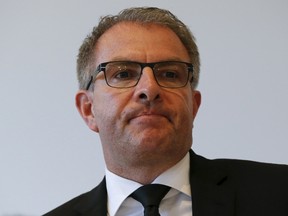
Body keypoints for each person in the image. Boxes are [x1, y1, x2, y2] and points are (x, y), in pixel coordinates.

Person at [43, 7, 288, 216]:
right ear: (88, 109)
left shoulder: (279, 193)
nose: (149, 89)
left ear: (194, 105)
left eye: (169, 74)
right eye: (123, 74)